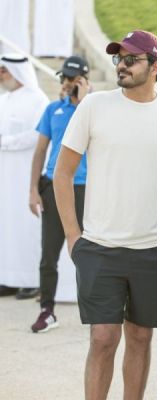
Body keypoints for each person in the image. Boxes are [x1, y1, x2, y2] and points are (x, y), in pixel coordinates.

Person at [53, 30, 157, 399]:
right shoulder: (94, 106)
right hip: (100, 247)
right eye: (118, 58)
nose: (121, 64)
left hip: (155, 249)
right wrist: (75, 238)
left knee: (140, 336)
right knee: (103, 337)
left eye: (131, 59)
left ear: (156, 66)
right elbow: (62, 173)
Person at [28, 55, 90, 333]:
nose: (65, 83)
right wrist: (33, 189)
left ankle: (95, 309)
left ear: (83, 81)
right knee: (48, 252)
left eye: (72, 79)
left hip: (85, 187)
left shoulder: (93, 110)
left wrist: (85, 100)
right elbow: (40, 150)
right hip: (53, 186)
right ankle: (47, 310)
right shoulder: (53, 109)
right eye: (64, 78)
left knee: (90, 251)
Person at [0, 54, 49, 299]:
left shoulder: (38, 100)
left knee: (27, 225)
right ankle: (8, 278)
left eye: (4, 71)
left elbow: (36, 135)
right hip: (4, 177)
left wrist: (6, 142)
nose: (1, 76)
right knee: (6, 226)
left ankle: (31, 279)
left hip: (26, 175)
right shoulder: (4, 100)